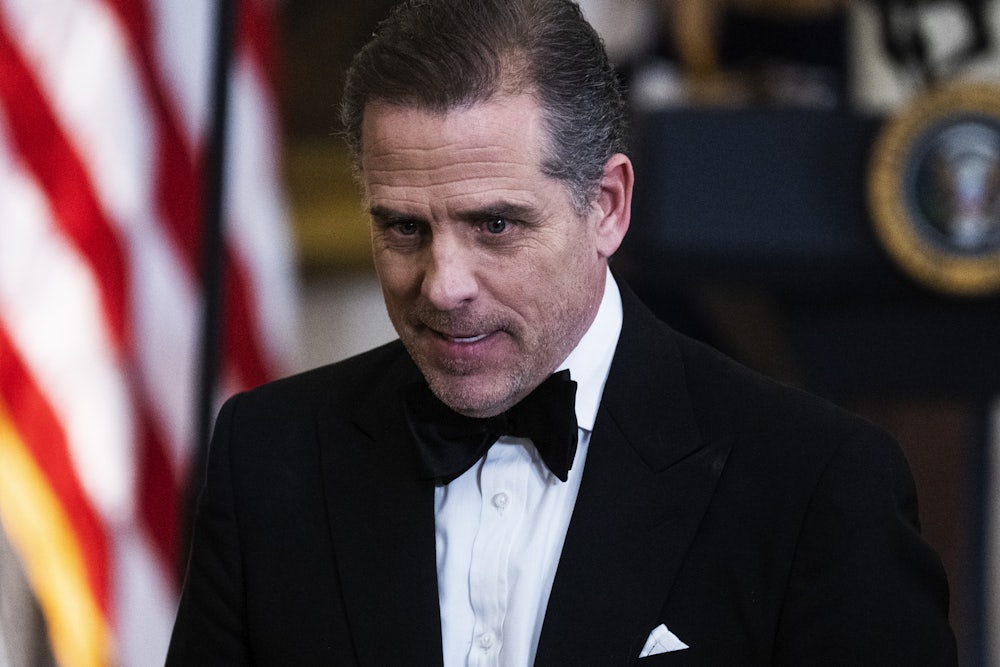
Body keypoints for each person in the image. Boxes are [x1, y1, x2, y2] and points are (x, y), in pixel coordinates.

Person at [166, 0, 957, 664]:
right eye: (404, 227)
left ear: (607, 205)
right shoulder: (267, 454)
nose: (442, 284)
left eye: (497, 224)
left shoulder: (816, 482)